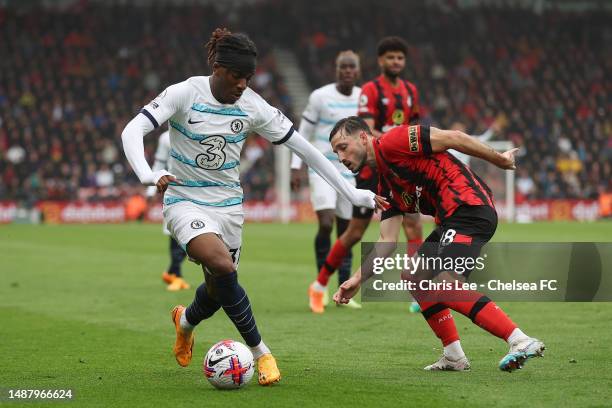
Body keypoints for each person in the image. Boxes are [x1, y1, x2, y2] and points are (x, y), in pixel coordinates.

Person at [121, 29, 381, 386]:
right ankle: (263, 353)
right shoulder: (184, 93)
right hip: (185, 200)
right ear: (217, 67)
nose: (243, 84)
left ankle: (184, 322)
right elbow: (132, 131)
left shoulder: (253, 106)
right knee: (222, 266)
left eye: (248, 77)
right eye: (236, 76)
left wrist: (351, 194)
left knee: (218, 288)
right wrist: (148, 174)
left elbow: (306, 150)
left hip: (229, 207)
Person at [330, 116, 545, 372]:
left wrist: (499, 159)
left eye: (343, 146)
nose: (340, 157)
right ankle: (453, 355)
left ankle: (520, 340)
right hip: (450, 221)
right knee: (414, 275)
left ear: (363, 137)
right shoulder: (385, 186)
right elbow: (386, 241)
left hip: (469, 209)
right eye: (335, 152)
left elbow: (453, 137)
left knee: (446, 285)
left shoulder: (394, 141)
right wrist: (356, 279)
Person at [311, 37, 422, 314]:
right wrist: (399, 146)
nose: (395, 62)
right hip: (373, 170)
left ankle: (417, 290)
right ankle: (320, 285)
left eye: (400, 58)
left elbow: (415, 127)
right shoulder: (370, 91)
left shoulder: (411, 90)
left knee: (414, 226)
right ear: (381, 61)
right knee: (355, 232)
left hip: (402, 169)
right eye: (390, 57)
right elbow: (367, 134)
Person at [290, 51, 363, 313]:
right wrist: (295, 166)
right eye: (342, 67)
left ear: (358, 71)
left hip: (350, 170)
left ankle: (343, 288)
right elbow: (304, 132)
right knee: (325, 222)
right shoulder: (320, 96)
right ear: (336, 69)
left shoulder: (363, 98)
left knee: (347, 231)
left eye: (351, 67)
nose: (346, 71)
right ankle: (320, 284)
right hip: (322, 166)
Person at [145, 130, 189, 291]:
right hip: (175, 191)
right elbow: (159, 164)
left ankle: (172, 271)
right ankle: (176, 275)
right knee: (174, 234)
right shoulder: (165, 138)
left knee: (194, 237)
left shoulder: (199, 127)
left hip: (198, 190)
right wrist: (150, 191)